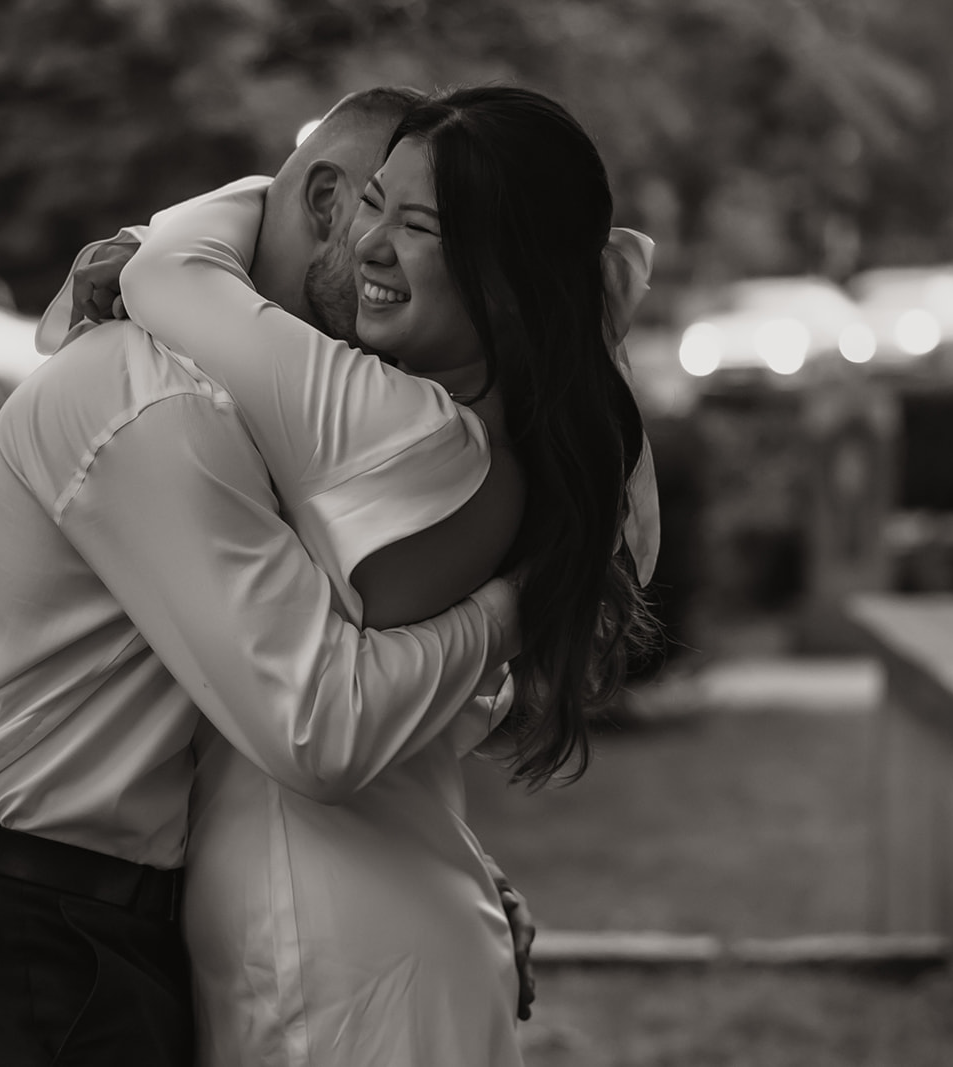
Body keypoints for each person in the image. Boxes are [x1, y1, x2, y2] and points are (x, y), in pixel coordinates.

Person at [0, 87, 525, 1067]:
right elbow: (317, 727)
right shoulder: (157, 401)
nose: (404, 261)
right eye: (383, 214)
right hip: (23, 926)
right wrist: (523, 601)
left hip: (106, 913)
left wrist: (447, 862)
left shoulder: (239, 397)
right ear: (321, 207)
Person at [64, 84, 661, 1066]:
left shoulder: (381, 420)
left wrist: (201, 218)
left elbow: (173, 271)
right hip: (391, 907)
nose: (365, 243)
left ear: (507, 273)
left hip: (329, 949)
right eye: (367, 203)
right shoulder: (510, 432)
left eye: (416, 224)